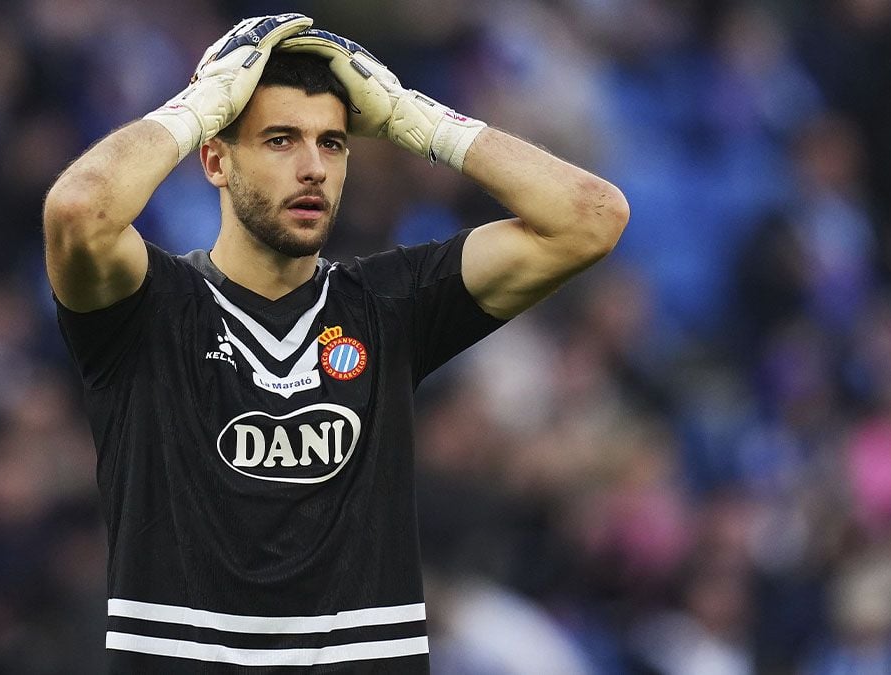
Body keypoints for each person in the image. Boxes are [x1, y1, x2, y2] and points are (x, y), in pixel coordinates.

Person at [43, 13, 628, 673]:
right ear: (215, 158)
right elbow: (79, 211)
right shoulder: (148, 310)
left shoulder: (387, 307)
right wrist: (199, 107)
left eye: (332, 143)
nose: (313, 168)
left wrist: (414, 118)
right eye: (280, 140)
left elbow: (591, 218)